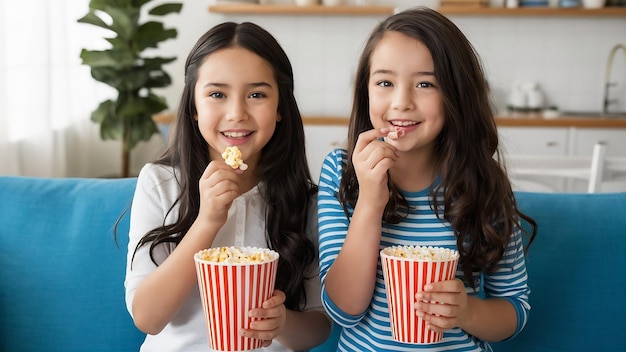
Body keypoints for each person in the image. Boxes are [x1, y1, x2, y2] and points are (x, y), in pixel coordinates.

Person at [317, 7, 537, 351]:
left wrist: (467, 312)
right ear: (366, 91)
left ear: (456, 94)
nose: (401, 102)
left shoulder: (483, 182)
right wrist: (371, 202)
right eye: (385, 83)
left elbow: (515, 309)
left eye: (425, 84)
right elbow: (343, 311)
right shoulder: (341, 172)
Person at [124, 22, 331, 351]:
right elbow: (147, 318)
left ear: (280, 109)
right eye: (217, 94)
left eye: (256, 95)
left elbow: (318, 326)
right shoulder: (161, 183)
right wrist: (207, 220)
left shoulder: (306, 200)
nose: (237, 113)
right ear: (194, 107)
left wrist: (283, 323)